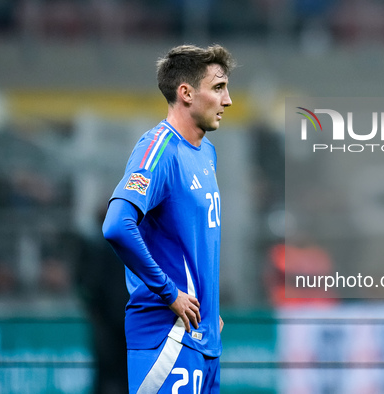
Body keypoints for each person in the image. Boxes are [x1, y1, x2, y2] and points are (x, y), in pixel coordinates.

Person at [102, 44, 235, 393]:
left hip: (203, 339)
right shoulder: (158, 148)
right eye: (219, 88)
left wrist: (208, 308)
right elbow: (117, 225)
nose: (228, 100)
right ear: (186, 93)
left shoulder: (206, 152)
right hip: (168, 335)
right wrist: (169, 292)